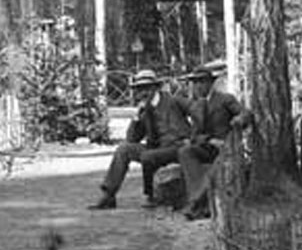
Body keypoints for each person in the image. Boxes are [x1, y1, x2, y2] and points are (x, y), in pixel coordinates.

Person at [89, 68, 191, 210]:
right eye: (139, 89)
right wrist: (137, 117)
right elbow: (132, 138)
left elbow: (197, 110)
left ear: (155, 88)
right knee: (124, 149)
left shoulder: (173, 100)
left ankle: (151, 196)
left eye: (146, 88)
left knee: (148, 156)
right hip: (157, 147)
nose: (143, 93)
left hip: (177, 146)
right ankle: (108, 195)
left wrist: (196, 136)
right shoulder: (144, 110)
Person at [179, 63, 252, 220]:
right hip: (208, 147)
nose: (197, 86)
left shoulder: (225, 99)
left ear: (210, 83)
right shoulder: (196, 106)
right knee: (185, 152)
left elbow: (246, 113)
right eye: (195, 83)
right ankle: (198, 203)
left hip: (227, 148)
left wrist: (239, 120)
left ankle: (196, 205)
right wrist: (209, 140)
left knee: (216, 167)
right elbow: (194, 136)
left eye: (201, 82)